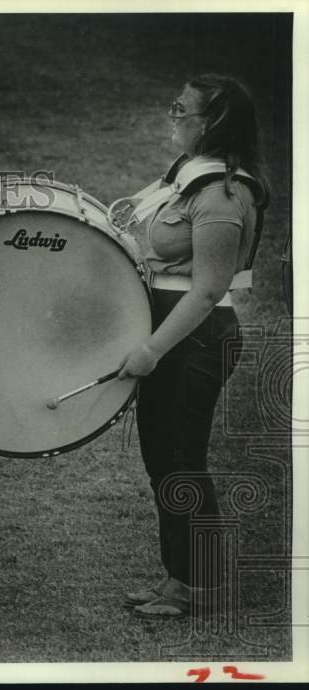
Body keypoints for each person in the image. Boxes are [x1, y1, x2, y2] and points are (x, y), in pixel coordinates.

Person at [114, 74, 269, 619]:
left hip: (195, 339)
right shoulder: (189, 179)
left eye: (181, 109)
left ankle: (197, 587)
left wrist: (151, 350)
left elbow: (207, 290)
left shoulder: (224, 193)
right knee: (165, 462)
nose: (172, 117)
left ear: (213, 123)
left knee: (181, 463)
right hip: (177, 333)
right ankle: (180, 577)